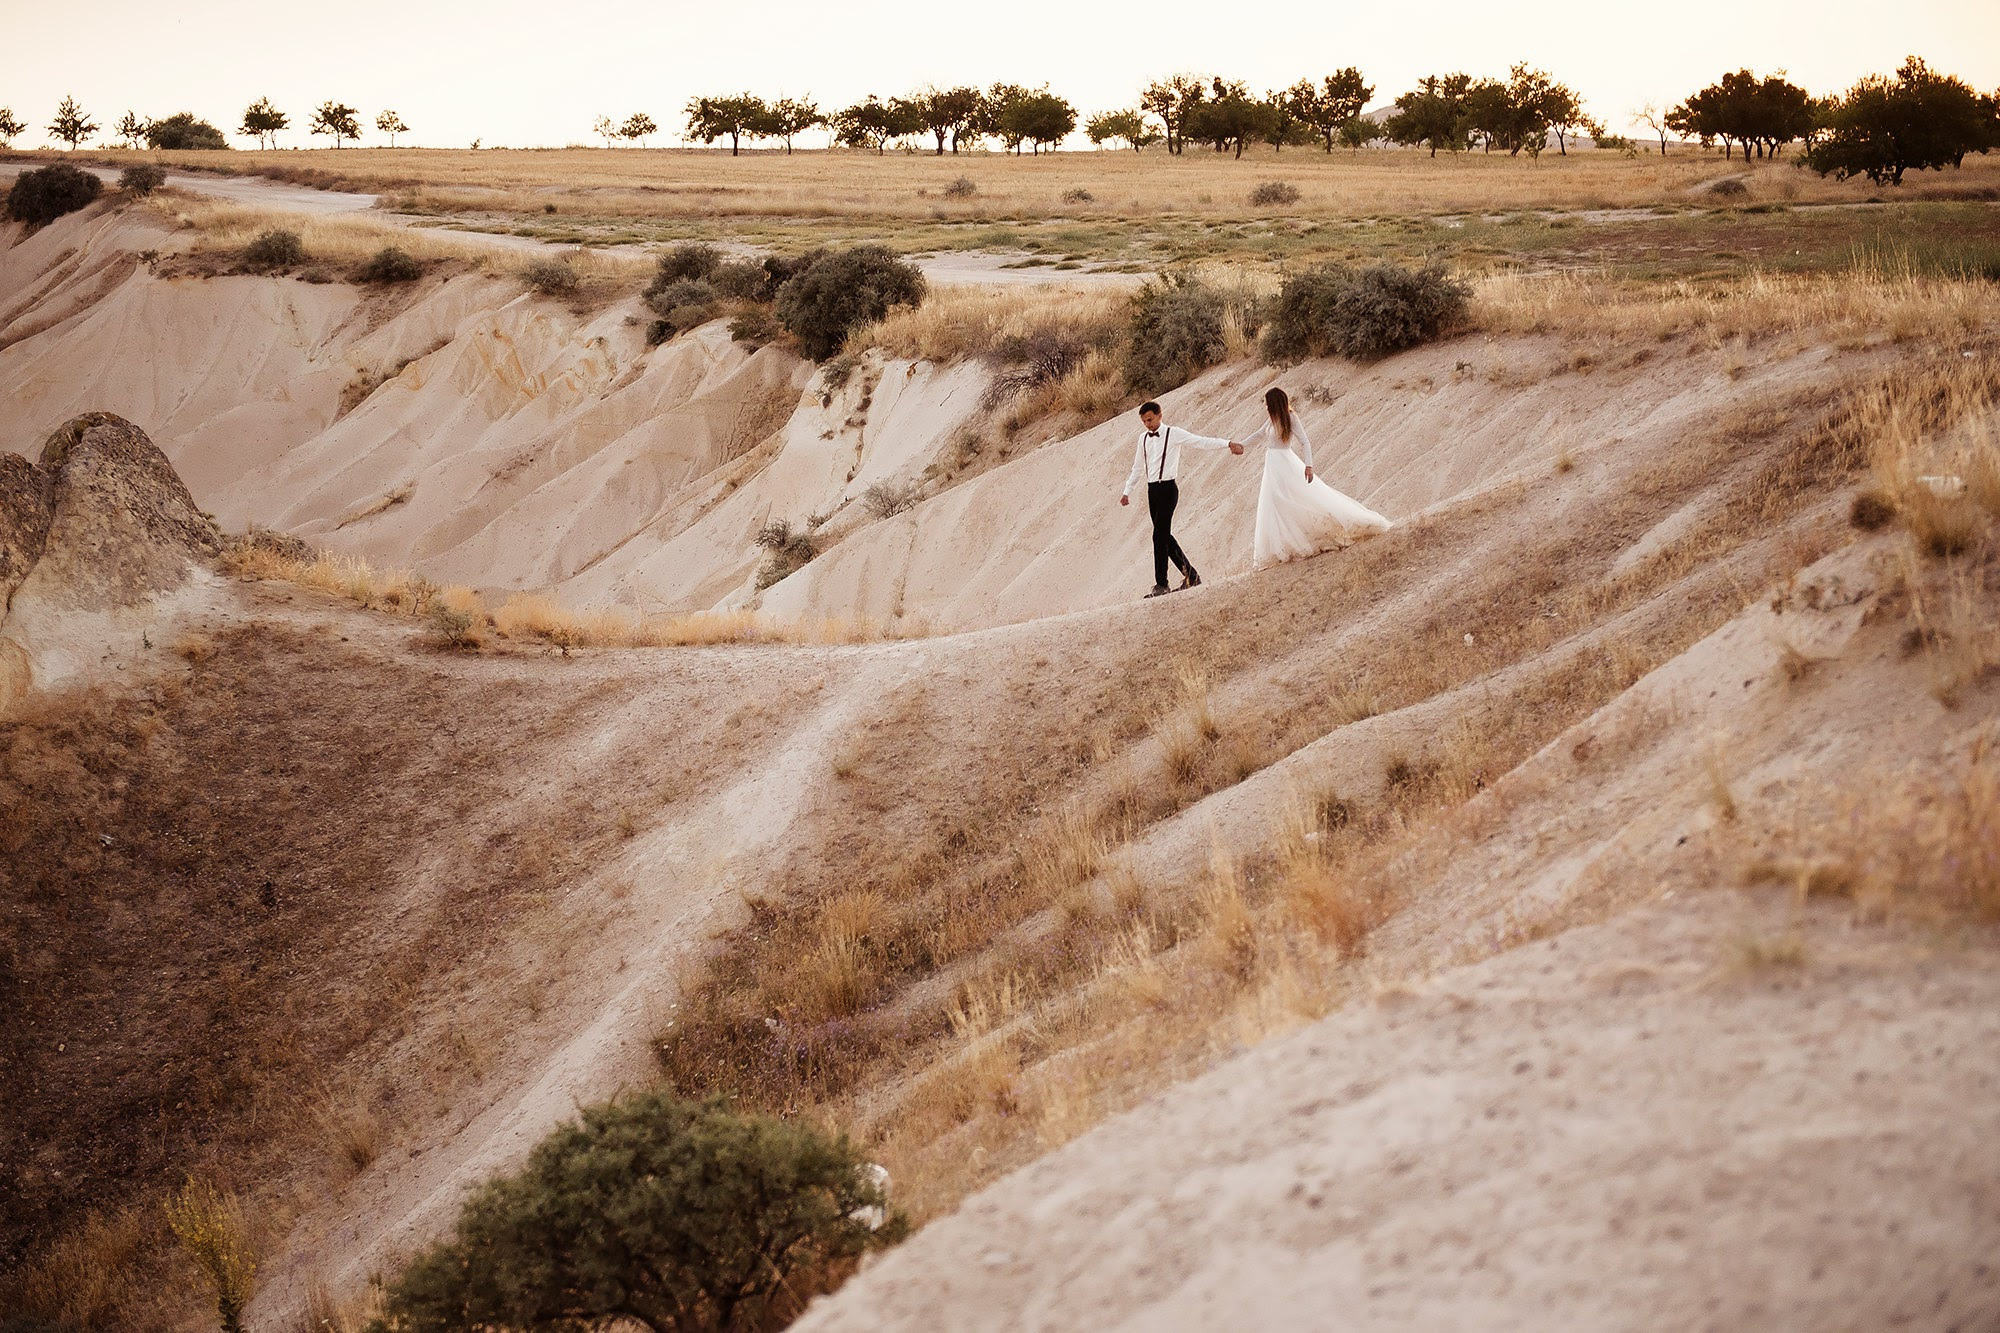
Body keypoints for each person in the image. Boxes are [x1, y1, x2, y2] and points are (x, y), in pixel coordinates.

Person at [1236, 386, 1391, 569]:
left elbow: (1305, 441)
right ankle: (1281, 547)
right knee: (1274, 502)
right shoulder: (1272, 419)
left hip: (1285, 463)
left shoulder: (1290, 417)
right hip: (1272, 465)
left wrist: (1309, 466)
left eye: (1268, 403)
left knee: (1293, 498)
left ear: (1274, 403)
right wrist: (1241, 445)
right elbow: (1259, 435)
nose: (1266, 406)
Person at [1119, 400, 1242, 598]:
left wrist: (1227, 443)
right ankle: (1191, 576)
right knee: (1164, 536)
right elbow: (1137, 467)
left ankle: (1162, 584)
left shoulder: (1173, 433)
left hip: (1168, 489)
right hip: (1152, 491)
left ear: (1160, 415)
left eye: (1150, 420)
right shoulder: (1142, 439)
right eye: (1144, 421)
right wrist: (1127, 491)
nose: (1148, 424)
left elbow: (1200, 441)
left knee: (1158, 536)